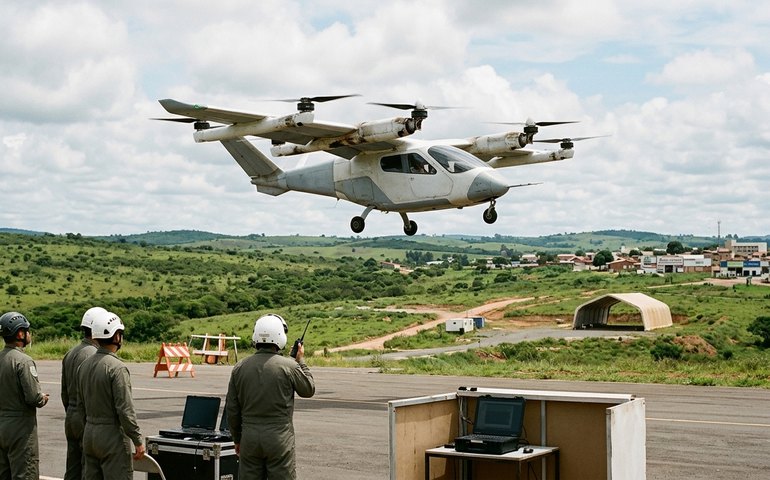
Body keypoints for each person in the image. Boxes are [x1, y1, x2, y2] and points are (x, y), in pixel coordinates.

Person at [226, 314, 315, 479]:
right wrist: (300, 361)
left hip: (249, 438)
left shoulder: (239, 367)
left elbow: (232, 409)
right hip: (279, 438)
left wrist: (238, 439)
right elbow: (308, 389)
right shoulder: (290, 366)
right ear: (280, 336)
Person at [77, 310, 144, 480]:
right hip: (112, 437)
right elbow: (125, 410)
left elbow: (80, 405)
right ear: (116, 337)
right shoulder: (117, 368)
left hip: (89, 434)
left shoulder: (83, 366)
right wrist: (137, 440)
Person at [0, 311, 49, 480]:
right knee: (25, 473)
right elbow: (33, 397)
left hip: (1, 424)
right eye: (27, 330)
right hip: (20, 428)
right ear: (20, 333)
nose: (29, 334)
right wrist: (43, 397)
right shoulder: (23, 361)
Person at [60, 307, 104, 480]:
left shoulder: (70, 353)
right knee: (89, 469)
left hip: (71, 416)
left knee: (72, 468)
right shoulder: (93, 355)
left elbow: (64, 392)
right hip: (85, 418)